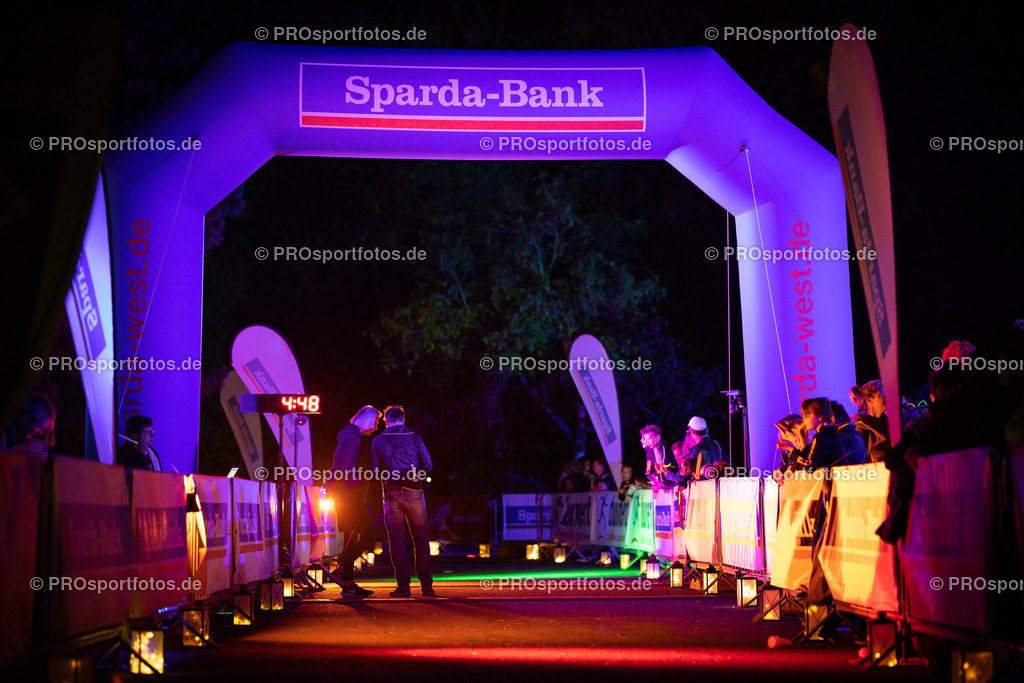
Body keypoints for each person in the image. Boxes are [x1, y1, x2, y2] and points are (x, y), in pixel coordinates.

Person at [371, 405, 435, 597]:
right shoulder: (415, 438)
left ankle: (403, 587)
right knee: (421, 538)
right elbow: (429, 465)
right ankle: (427, 587)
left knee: (396, 541)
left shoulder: (378, 440)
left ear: (386, 421)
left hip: (391, 492)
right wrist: (416, 475)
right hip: (414, 491)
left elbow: (373, 471)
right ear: (403, 419)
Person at [327, 405, 381, 597]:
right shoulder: (353, 438)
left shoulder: (351, 437)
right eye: (375, 423)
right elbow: (346, 467)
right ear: (368, 421)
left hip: (350, 493)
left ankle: (345, 575)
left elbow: (341, 466)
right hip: (350, 494)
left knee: (360, 536)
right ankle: (346, 579)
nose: (376, 428)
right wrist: (358, 486)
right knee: (358, 536)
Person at [2, 393, 56, 460]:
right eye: (39, 426)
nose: (40, 433)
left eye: (43, 429)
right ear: (26, 417)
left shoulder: (25, 447)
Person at [850, 380, 890, 462]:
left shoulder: (891, 424)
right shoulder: (859, 429)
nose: (888, 395)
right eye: (882, 392)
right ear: (870, 401)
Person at [639, 424, 678, 490]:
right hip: (667, 485)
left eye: (649, 439)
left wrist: (662, 483)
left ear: (657, 437)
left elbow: (667, 469)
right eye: (646, 439)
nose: (647, 442)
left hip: (674, 485)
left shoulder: (662, 446)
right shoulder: (653, 450)